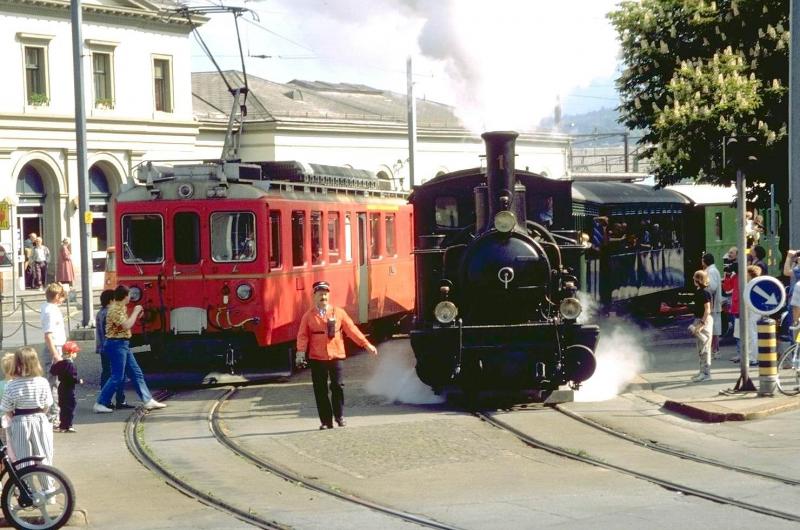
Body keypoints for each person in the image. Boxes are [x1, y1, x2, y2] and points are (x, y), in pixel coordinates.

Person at [296, 280, 377, 430]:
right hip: (317, 357)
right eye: (320, 294)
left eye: (325, 294)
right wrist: (300, 353)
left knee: (337, 386)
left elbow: (351, 330)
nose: (323, 297)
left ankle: (339, 416)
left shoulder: (339, 312)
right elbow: (302, 336)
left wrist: (366, 344)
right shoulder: (308, 316)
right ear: (314, 296)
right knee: (320, 390)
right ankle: (326, 421)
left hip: (336, 355)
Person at [94, 285, 166, 413]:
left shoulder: (120, 307)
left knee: (136, 373)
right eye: (129, 295)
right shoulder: (115, 309)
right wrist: (136, 312)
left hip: (123, 344)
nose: (130, 298)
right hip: (116, 344)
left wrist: (137, 314)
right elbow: (126, 325)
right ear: (125, 296)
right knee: (117, 376)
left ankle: (147, 400)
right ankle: (100, 402)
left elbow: (126, 324)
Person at [0, 347, 55, 467]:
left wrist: (14, 417)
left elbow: (7, 409)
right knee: (43, 453)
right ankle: (47, 483)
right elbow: (47, 406)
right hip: (40, 419)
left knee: (22, 457)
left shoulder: (11, 385)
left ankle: (25, 483)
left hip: (20, 421)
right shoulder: (43, 382)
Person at [96, 289, 129, 409]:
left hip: (102, 348)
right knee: (118, 373)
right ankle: (119, 400)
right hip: (112, 346)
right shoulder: (110, 313)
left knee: (106, 373)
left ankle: (107, 400)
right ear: (111, 300)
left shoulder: (100, 312)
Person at [41, 282, 65, 423]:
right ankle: (53, 415)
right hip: (54, 348)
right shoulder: (50, 311)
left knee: (56, 382)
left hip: (56, 346)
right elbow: (48, 335)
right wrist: (56, 354)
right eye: (62, 296)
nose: (63, 299)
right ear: (56, 296)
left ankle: (55, 413)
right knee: (54, 382)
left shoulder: (50, 308)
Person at [50, 341, 83, 433]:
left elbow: (53, 371)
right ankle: (69, 425)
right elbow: (71, 377)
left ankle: (63, 425)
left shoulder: (60, 363)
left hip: (61, 387)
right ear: (71, 353)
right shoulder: (71, 365)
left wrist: (55, 363)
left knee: (63, 406)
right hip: (69, 388)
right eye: (75, 352)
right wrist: (78, 381)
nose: (76, 354)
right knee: (70, 406)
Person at [688, 270, 713, 382]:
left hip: (704, 320)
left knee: (704, 348)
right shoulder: (700, 291)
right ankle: (702, 371)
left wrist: (701, 324)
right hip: (700, 319)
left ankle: (706, 374)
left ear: (697, 280)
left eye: (694, 278)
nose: (693, 280)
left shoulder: (704, 292)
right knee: (701, 348)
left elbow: (707, 310)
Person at [701, 253, 722, 358]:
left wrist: (703, 287)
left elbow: (712, 287)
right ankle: (714, 350)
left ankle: (715, 351)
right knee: (713, 329)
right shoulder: (712, 270)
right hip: (713, 304)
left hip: (713, 305)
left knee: (713, 329)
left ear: (705, 261)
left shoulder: (711, 271)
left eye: (702, 260)